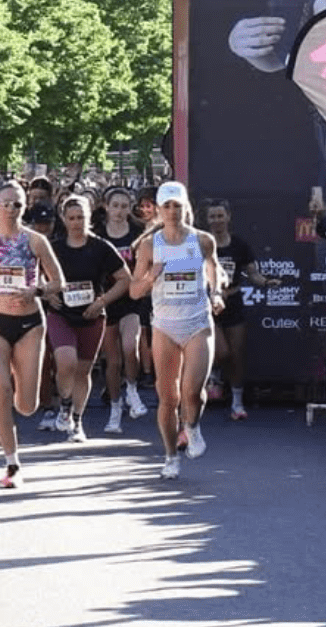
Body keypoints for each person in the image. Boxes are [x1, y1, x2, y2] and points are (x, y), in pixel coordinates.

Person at [0, 180, 64, 489]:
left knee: (27, 405)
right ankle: (12, 463)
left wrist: (38, 289)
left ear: (24, 207)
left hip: (29, 323)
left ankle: (23, 387)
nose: (11, 209)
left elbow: (58, 280)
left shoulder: (35, 241)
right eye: (5, 203)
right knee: (0, 391)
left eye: (17, 204)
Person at [131, 181, 223, 480]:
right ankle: (171, 456)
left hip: (197, 321)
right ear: (158, 210)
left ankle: (192, 427)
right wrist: (150, 278)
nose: (172, 212)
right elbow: (133, 291)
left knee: (191, 390)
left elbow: (213, 271)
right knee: (168, 397)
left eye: (177, 206)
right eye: (167, 206)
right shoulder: (149, 245)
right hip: (165, 326)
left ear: (186, 209)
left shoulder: (202, 240)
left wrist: (217, 293)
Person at [45, 194, 129, 441]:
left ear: (89, 217)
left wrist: (102, 301)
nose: (76, 222)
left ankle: (77, 422)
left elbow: (125, 279)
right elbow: (36, 275)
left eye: (81, 217)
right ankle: (64, 405)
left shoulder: (101, 247)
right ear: (63, 219)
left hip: (91, 315)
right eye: (71, 218)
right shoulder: (55, 247)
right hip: (61, 312)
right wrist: (47, 295)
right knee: (65, 361)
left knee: (83, 371)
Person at [203, 198, 277, 420]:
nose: (216, 220)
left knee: (236, 355)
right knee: (221, 351)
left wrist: (264, 282)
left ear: (228, 217)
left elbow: (252, 273)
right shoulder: (201, 244)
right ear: (207, 220)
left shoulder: (239, 245)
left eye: (220, 215)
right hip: (207, 304)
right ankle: (212, 375)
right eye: (212, 216)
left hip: (233, 303)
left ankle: (236, 403)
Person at [97, 186, 149, 433]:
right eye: (115, 205)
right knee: (112, 360)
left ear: (130, 209)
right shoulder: (96, 234)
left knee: (130, 346)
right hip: (106, 300)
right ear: (106, 207)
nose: (119, 211)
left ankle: (132, 390)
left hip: (131, 299)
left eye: (124, 206)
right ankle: (115, 410)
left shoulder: (139, 233)